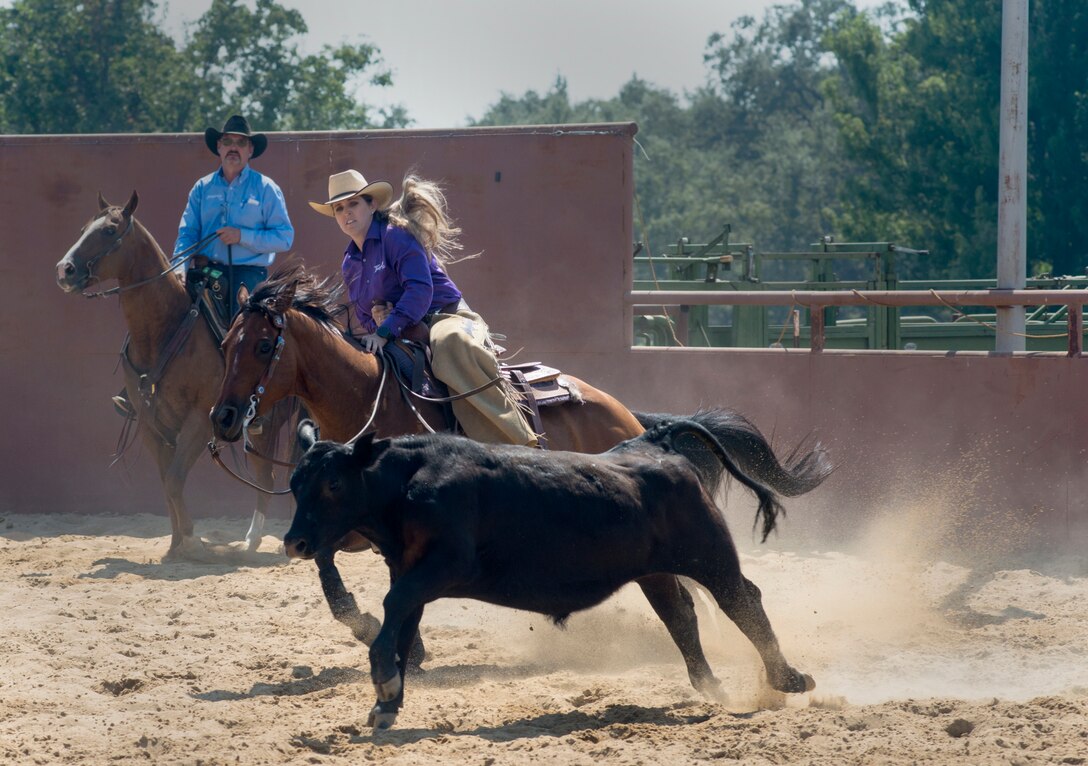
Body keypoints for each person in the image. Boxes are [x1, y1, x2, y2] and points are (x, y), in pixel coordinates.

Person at [309, 169, 538, 447]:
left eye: (353, 204)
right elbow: (364, 314)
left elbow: (420, 290)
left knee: (450, 343)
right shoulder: (349, 262)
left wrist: (385, 327)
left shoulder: (396, 236)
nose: (346, 213)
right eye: (339, 208)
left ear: (372, 205)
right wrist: (379, 323)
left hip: (447, 315)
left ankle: (518, 441)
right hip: (403, 328)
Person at [113, 115, 294, 418]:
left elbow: (284, 237)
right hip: (204, 270)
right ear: (219, 148)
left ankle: (255, 408)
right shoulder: (202, 188)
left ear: (250, 150)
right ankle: (137, 389)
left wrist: (243, 236)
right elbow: (187, 233)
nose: (233, 147)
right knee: (161, 313)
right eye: (227, 142)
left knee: (245, 332)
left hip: (247, 275)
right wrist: (179, 267)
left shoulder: (266, 189)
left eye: (240, 142)